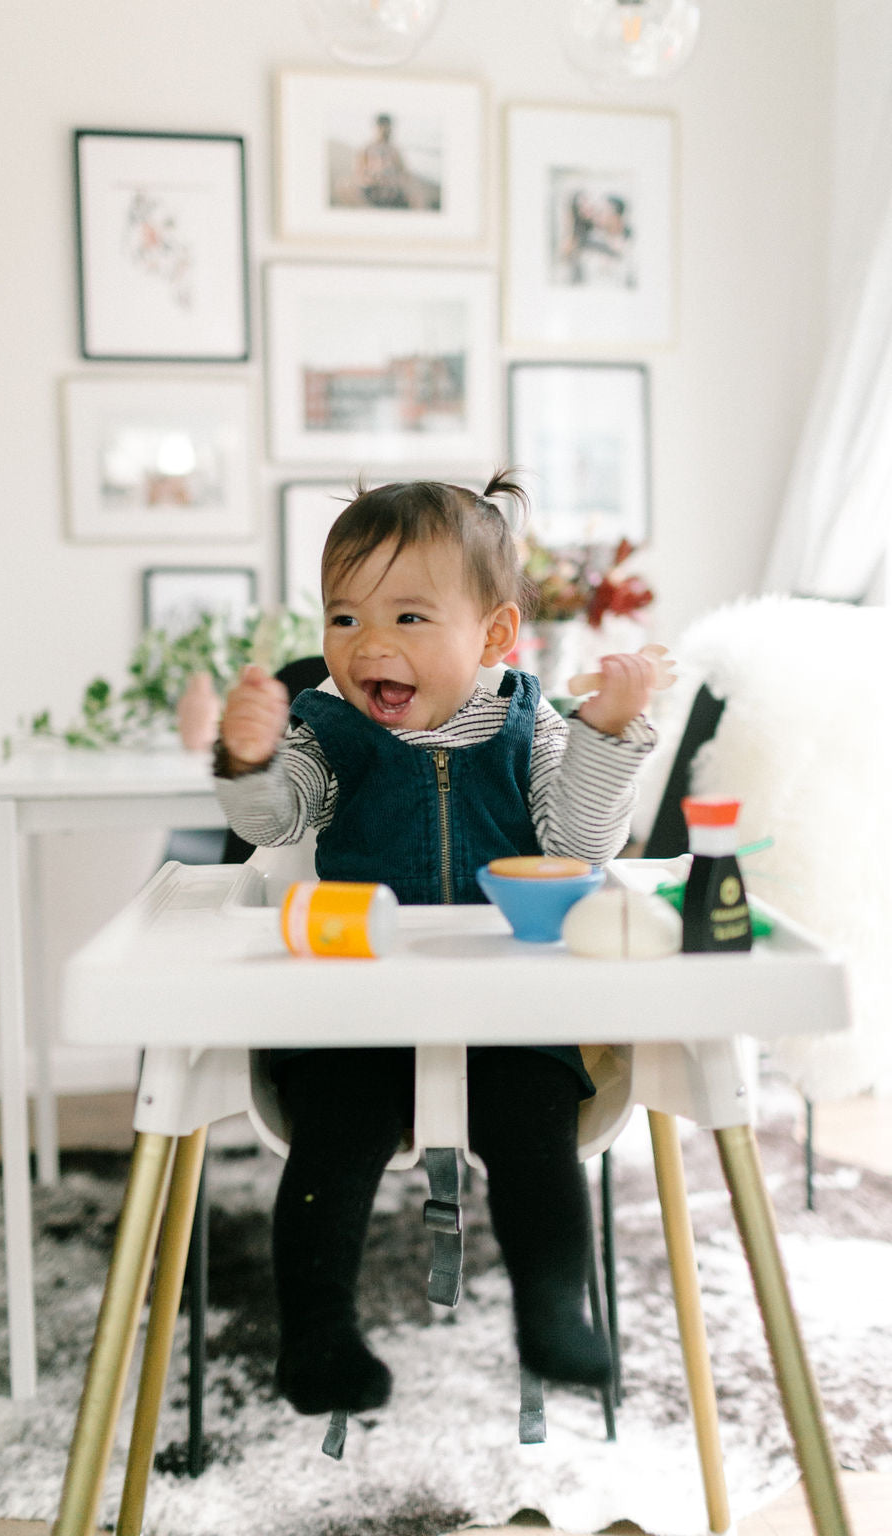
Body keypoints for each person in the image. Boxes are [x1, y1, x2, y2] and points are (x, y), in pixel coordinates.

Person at [213, 472, 657, 1418]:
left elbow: (580, 845)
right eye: (343, 617)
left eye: (409, 617)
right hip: (364, 1005)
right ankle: (317, 1333)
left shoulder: (529, 725)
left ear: (493, 635)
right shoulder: (330, 733)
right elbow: (272, 816)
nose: (368, 644)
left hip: (507, 1004)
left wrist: (605, 738)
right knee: (331, 1142)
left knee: (538, 1139)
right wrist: (247, 759)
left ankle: (553, 1313)